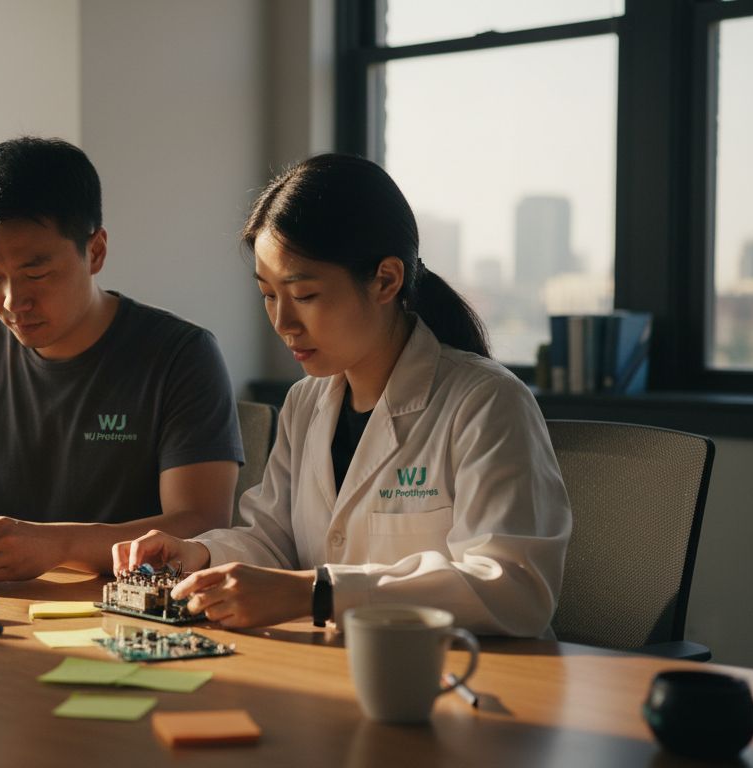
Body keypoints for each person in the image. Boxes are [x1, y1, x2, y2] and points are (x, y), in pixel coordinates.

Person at [114, 154, 571, 637]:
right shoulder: (306, 404)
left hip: (464, 682)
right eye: (269, 295)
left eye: (305, 295)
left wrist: (318, 594)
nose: (283, 324)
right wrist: (201, 554)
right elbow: (275, 540)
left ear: (386, 280)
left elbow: (513, 588)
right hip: (333, 670)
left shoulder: (486, 402)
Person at [0, 137, 244, 585]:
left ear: (94, 252)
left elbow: (202, 523)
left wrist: (57, 545)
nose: (13, 300)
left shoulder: (181, 355)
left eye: (36, 274)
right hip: (6, 615)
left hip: (134, 617)